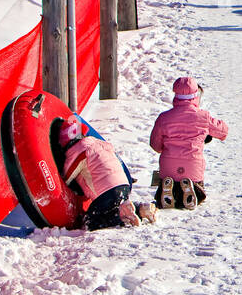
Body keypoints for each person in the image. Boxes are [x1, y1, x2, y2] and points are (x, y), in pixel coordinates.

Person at [149, 77, 228, 211]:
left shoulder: (164, 117)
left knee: (169, 180)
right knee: (198, 189)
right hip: (193, 166)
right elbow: (223, 132)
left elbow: (155, 145)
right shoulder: (203, 116)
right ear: (196, 95)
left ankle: (168, 188)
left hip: (168, 166)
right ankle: (194, 190)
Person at [58, 118, 146, 229]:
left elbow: (67, 177)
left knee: (91, 221)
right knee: (111, 206)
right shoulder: (99, 143)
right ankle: (138, 209)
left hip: (106, 192)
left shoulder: (78, 150)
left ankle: (120, 217)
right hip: (123, 185)